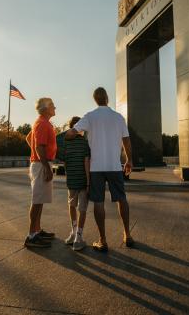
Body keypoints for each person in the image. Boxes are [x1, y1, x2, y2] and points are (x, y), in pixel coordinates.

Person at [65, 87, 133, 252]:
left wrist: (69, 136)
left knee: (98, 202)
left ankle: (102, 240)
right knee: (121, 199)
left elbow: (71, 133)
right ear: (107, 98)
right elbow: (126, 140)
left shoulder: (90, 116)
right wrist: (129, 160)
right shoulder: (118, 117)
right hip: (114, 165)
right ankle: (127, 234)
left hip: (96, 167)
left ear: (95, 99)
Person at [24, 97, 57, 248]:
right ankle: (31, 236)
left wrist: (35, 156)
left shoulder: (42, 123)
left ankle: (36, 231)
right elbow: (39, 146)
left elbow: (29, 138)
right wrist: (44, 165)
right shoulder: (43, 123)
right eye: (52, 105)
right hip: (41, 164)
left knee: (40, 199)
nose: (55, 107)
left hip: (40, 163)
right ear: (45, 108)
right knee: (37, 200)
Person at [58, 116, 90, 251]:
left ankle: (73, 231)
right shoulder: (84, 142)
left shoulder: (65, 143)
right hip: (83, 181)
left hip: (71, 180)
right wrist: (89, 182)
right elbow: (86, 162)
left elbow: (63, 159)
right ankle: (78, 236)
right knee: (82, 209)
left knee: (72, 206)